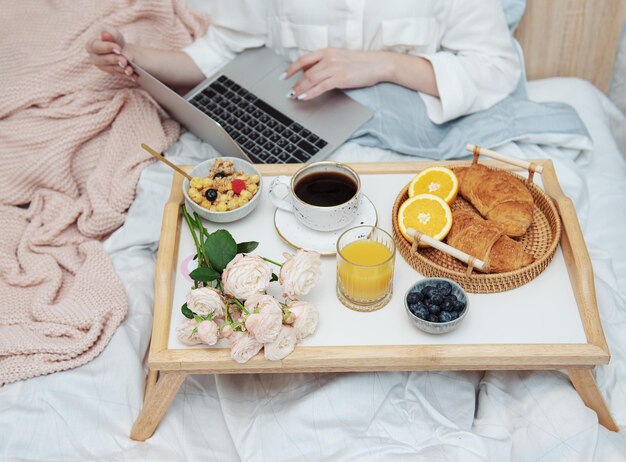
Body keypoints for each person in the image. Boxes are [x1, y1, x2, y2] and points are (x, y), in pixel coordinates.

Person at [87, 0, 520, 124]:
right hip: (298, 128)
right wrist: (135, 58)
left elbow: (496, 68)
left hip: (413, 140)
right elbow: (217, 54)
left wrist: (384, 64)